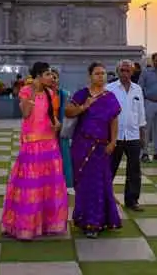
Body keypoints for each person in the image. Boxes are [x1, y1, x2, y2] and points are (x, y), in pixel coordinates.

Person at [1, 62, 68, 240]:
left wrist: (56, 125)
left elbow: (51, 117)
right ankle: (27, 226)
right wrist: (32, 91)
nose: (51, 77)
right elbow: (26, 113)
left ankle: (47, 223)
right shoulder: (25, 91)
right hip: (32, 143)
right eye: (47, 74)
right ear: (38, 76)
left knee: (48, 184)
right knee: (30, 185)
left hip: (49, 143)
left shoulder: (51, 93)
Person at [65, 61, 121, 238]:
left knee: (100, 183)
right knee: (83, 183)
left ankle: (95, 223)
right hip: (82, 145)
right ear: (90, 76)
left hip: (101, 147)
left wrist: (113, 142)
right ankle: (83, 219)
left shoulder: (110, 97)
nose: (101, 76)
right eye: (97, 73)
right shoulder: (82, 94)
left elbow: (113, 120)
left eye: (103, 73)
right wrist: (84, 106)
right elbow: (68, 112)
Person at [107, 60, 146, 211]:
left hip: (133, 134)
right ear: (118, 72)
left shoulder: (137, 89)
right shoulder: (110, 88)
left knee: (134, 170)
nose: (125, 73)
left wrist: (143, 135)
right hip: (114, 136)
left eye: (128, 71)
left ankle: (132, 200)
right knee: (110, 168)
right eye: (122, 70)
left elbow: (141, 112)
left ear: (132, 72)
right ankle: (105, 198)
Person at [48, 68, 73, 188]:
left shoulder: (64, 94)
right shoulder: (41, 94)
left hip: (61, 131)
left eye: (55, 77)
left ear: (58, 79)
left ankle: (61, 186)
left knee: (62, 159)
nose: (52, 79)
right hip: (45, 131)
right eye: (50, 76)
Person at [140, 52, 157, 161]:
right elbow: (140, 87)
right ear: (153, 61)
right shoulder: (146, 72)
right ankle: (144, 153)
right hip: (149, 102)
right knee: (147, 129)